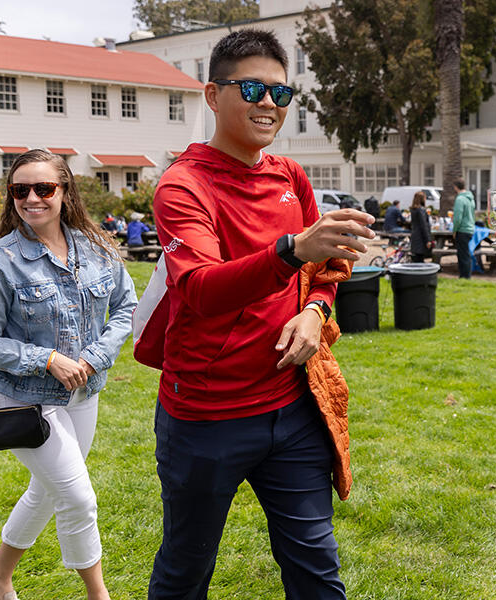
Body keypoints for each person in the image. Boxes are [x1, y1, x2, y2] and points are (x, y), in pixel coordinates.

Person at [148, 28, 375, 600]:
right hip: (205, 418)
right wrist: (293, 249)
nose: (268, 104)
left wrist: (316, 311)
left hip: (291, 410)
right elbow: (199, 287)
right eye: (251, 88)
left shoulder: (290, 176)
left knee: (318, 572)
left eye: (280, 92)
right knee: (184, 571)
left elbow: (324, 271)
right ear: (212, 95)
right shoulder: (183, 185)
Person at [0, 149, 137, 600]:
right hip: (24, 397)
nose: (32, 198)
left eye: (44, 188)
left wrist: (95, 356)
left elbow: (125, 308)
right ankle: (100, 596)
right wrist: (45, 358)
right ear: (11, 196)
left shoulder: (95, 248)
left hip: (84, 391)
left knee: (48, 487)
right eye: (21, 190)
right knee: (78, 498)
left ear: (65, 191)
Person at [452, 179, 476, 279]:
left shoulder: (460, 199)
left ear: (455, 187)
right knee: (466, 254)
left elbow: (458, 218)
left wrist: (454, 230)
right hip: (470, 229)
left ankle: (464, 276)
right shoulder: (470, 198)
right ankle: (466, 276)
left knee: (462, 255)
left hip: (462, 230)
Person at [409, 191, 432, 263]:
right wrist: (428, 240)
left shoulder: (413, 209)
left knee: (416, 258)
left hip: (415, 235)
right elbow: (423, 225)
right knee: (420, 259)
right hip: (421, 237)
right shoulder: (421, 210)